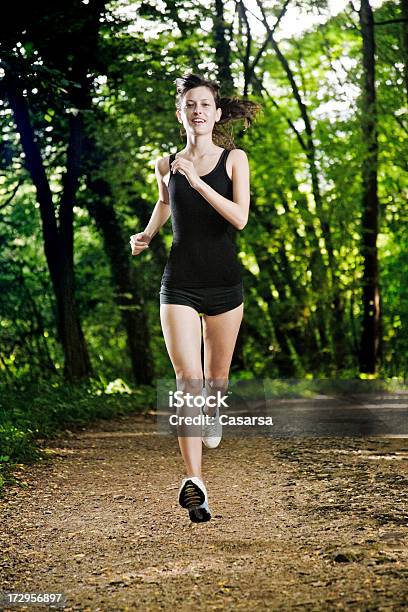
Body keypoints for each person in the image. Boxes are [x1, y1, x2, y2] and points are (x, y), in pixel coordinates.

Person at [130, 73, 260, 523]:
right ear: (181, 112)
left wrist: (200, 183)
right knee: (188, 378)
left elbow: (239, 218)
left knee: (215, 377)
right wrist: (147, 234)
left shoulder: (234, 159)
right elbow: (166, 203)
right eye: (190, 105)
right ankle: (195, 483)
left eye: (205, 104)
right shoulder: (166, 163)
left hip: (224, 281)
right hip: (179, 281)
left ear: (217, 113)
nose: (198, 111)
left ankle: (213, 411)